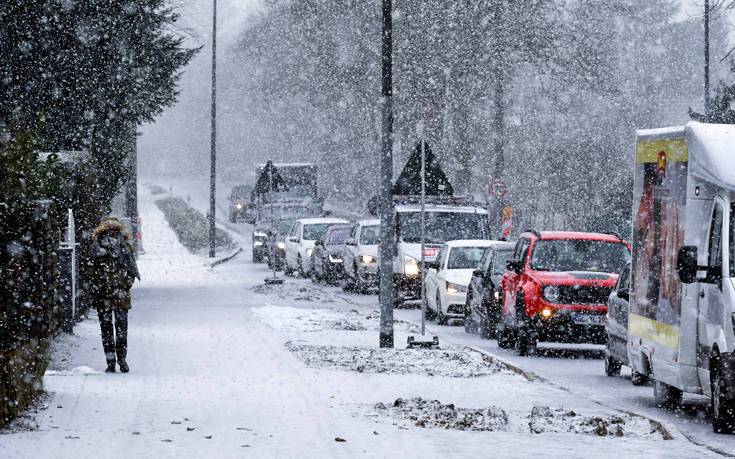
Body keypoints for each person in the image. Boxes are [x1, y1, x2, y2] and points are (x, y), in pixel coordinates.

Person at [89, 217, 140, 373]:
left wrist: (125, 285)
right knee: (106, 329)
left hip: (120, 295)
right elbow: (91, 271)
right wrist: (99, 285)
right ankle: (110, 361)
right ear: (103, 232)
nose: (112, 233)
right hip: (103, 295)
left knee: (121, 329)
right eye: (109, 230)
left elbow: (131, 269)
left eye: (115, 231)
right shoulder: (96, 248)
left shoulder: (125, 248)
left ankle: (122, 359)